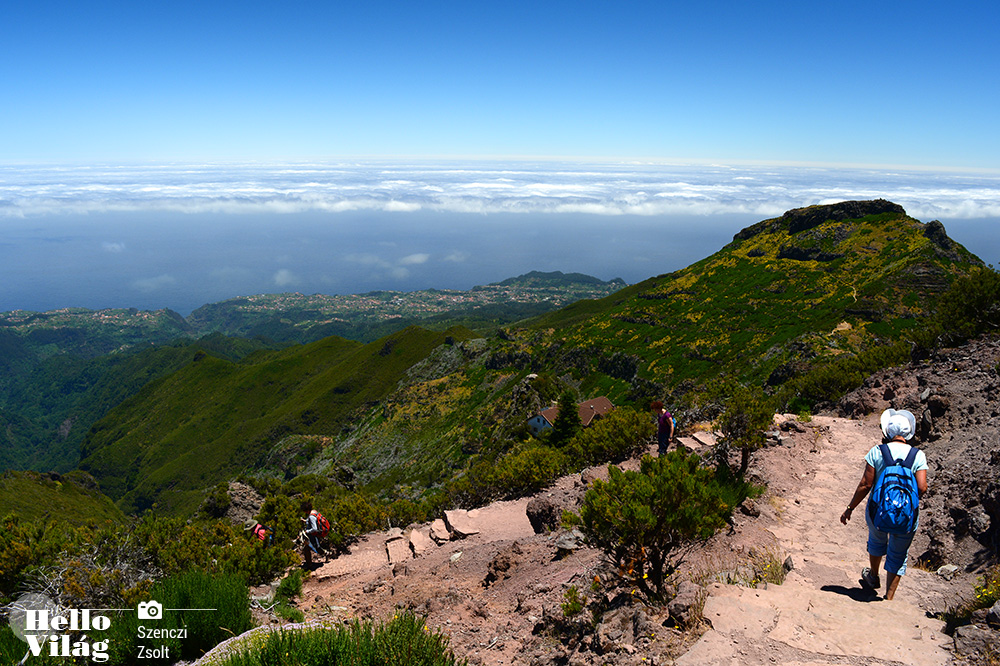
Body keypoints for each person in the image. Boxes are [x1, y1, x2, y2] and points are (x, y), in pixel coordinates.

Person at [840, 408, 928, 600]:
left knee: (876, 540)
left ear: (887, 431)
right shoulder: (918, 455)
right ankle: (889, 597)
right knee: (899, 553)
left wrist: (850, 508)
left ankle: (873, 576)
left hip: (877, 509)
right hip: (907, 514)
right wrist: (905, 502)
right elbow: (922, 487)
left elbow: (866, 484)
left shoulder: (878, 451)